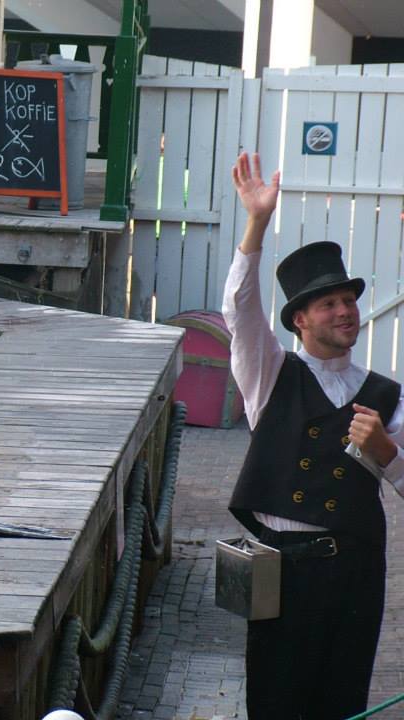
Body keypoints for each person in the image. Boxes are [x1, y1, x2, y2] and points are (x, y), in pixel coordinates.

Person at [223, 151, 404, 719]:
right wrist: (255, 224)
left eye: (348, 301)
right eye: (328, 304)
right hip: (284, 567)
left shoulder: (386, 393)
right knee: (277, 702)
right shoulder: (269, 372)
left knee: (341, 699)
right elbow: (239, 307)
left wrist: (386, 454)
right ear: (300, 319)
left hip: (355, 571)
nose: (344, 312)